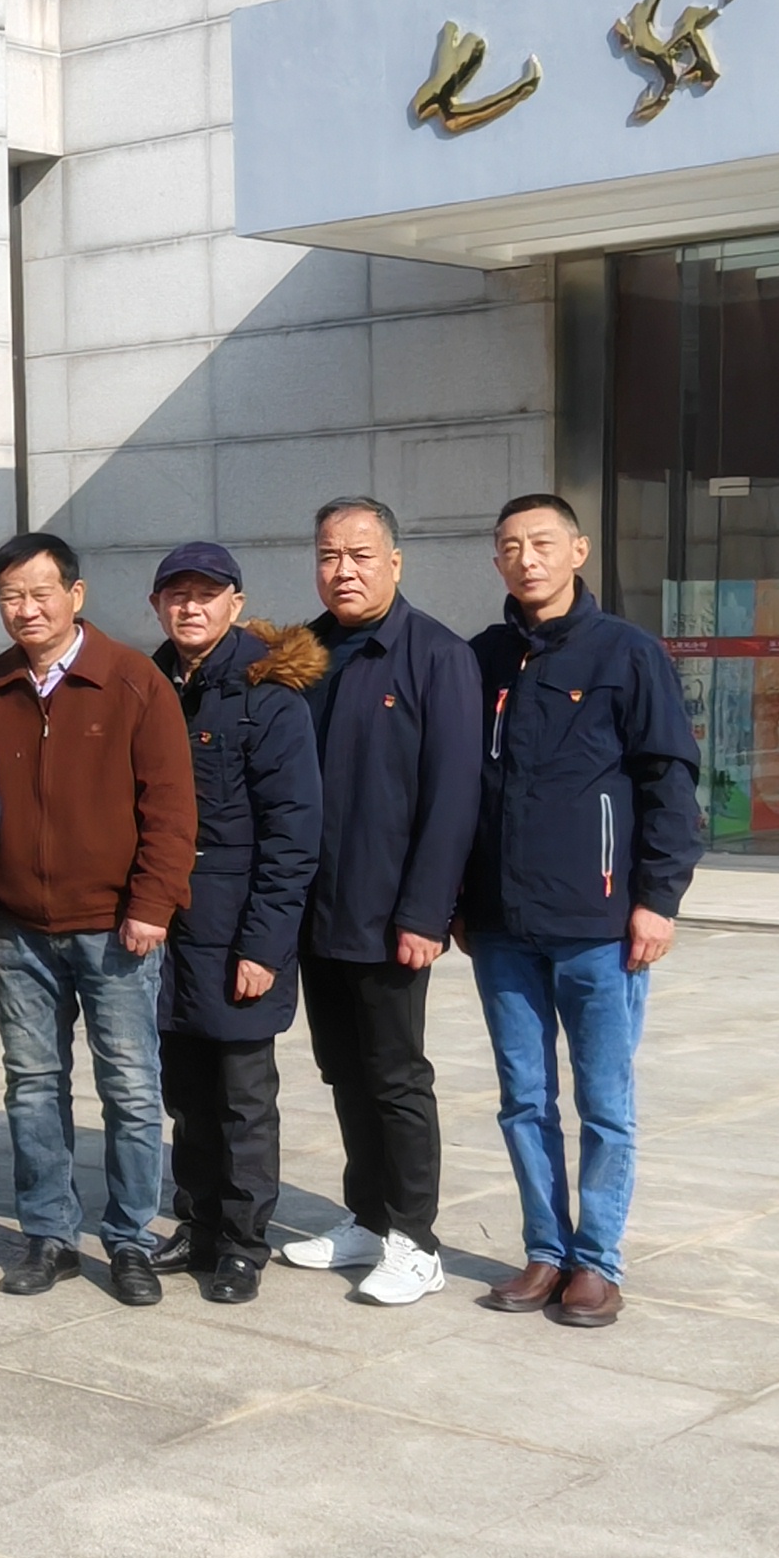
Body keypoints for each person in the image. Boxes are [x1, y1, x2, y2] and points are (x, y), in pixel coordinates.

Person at [462, 493, 703, 1327]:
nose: (525, 559)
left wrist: (657, 901)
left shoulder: (627, 654)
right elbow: (461, 788)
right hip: (502, 925)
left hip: (598, 925)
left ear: (578, 551)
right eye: (509, 546)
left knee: (604, 1103)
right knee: (523, 1098)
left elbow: (670, 783)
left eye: (541, 543)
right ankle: (544, 1251)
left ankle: (596, 1261)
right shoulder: (484, 658)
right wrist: (461, 900)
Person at [0, 532, 196, 1305]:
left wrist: (153, 904)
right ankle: (49, 1235)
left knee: (130, 1089)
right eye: (10, 597)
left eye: (40, 593)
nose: (26, 609)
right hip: (16, 927)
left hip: (116, 928)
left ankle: (129, 1238)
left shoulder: (132, 681)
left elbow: (171, 809)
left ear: (75, 595)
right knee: (32, 1086)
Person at [283, 495, 483, 1307]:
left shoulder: (437, 656)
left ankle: (416, 1240)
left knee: (396, 1075)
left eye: (361, 555)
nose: (344, 571)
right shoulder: (303, 655)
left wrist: (425, 913)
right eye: (329, 556)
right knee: (342, 1070)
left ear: (394, 563)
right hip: (313, 910)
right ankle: (365, 1217)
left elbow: (454, 796)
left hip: (389, 911)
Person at [146, 545, 324, 1305]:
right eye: (176, 595)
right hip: (167, 933)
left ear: (235, 604)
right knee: (185, 1093)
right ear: (158, 606)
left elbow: (293, 835)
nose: (190, 607)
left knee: (242, 1099)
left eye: (206, 595)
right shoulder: (150, 687)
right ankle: (198, 1223)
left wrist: (264, 947)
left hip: (238, 936)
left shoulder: (269, 697)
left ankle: (244, 1243)